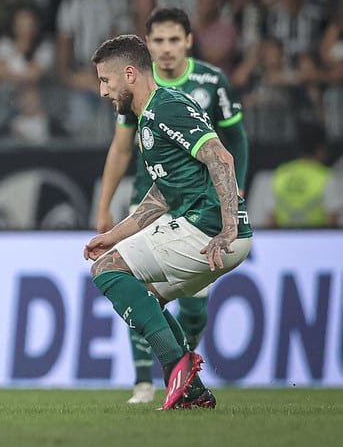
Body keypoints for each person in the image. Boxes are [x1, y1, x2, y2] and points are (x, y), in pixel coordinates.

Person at [85, 34, 252, 410]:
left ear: (129, 74)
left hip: (210, 229)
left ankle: (176, 367)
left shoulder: (165, 107)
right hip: (206, 226)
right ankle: (191, 392)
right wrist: (113, 234)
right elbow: (162, 194)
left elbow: (221, 158)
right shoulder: (149, 116)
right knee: (147, 296)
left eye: (105, 81)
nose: (102, 91)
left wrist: (227, 228)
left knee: (107, 270)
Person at [266, 122, 340, 228]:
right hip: (318, 240)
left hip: (283, 239)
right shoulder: (326, 177)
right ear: (321, 150)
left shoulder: (280, 173)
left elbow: (271, 218)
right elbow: (332, 219)